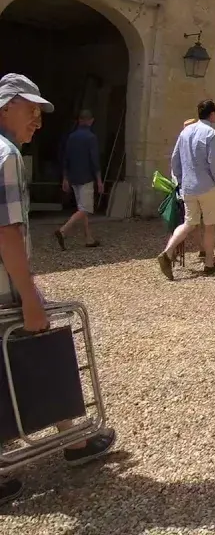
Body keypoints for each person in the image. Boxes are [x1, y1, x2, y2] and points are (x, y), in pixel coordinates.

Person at [0, 74, 117, 506]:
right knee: (44, 343)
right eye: (30, 109)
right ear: (6, 105)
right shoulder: (7, 155)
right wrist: (28, 293)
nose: (38, 120)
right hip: (4, 288)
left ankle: (72, 436)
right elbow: (6, 231)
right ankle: (73, 439)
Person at [157, 100, 215, 279]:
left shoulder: (185, 132)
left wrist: (179, 181)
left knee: (189, 223)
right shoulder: (211, 133)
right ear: (212, 114)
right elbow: (214, 162)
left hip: (188, 187)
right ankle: (209, 264)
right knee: (210, 225)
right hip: (207, 186)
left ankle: (168, 251)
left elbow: (175, 159)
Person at [55, 109, 103, 249]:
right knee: (85, 209)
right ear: (91, 120)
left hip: (73, 177)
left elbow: (66, 158)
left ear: (79, 120)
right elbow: (95, 160)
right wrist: (99, 180)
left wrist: (65, 178)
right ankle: (63, 231)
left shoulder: (71, 137)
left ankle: (89, 238)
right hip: (86, 177)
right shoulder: (91, 138)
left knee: (82, 208)